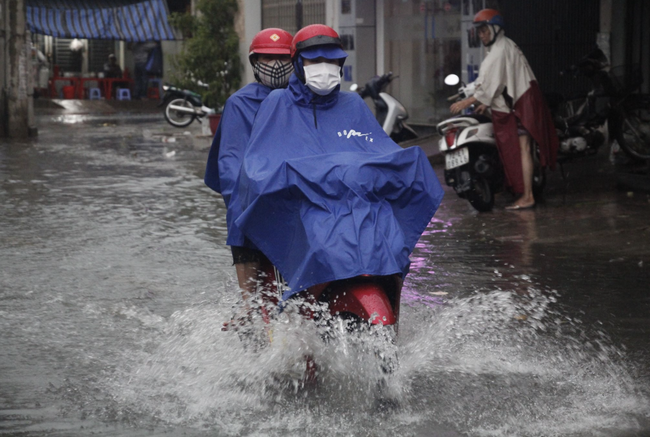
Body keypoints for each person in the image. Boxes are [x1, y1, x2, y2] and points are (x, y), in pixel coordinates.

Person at [231, 24, 444, 301]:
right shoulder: (277, 103)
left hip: (356, 203)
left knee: (389, 237)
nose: (324, 67)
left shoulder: (352, 104)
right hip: (306, 204)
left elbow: (378, 152)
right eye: (315, 61)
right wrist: (294, 177)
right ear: (298, 63)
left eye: (331, 60)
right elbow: (259, 163)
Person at [204, 28, 294, 300]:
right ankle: (249, 304)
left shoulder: (303, 100)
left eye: (282, 58)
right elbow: (231, 160)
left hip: (297, 192)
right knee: (241, 210)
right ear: (255, 63)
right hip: (258, 192)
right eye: (267, 58)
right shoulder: (239, 103)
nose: (275, 65)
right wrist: (243, 194)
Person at [450, 9, 558, 210]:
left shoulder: (498, 52)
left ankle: (527, 196)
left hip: (520, 105)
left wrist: (468, 102)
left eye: (484, 30)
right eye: (479, 32)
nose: (481, 35)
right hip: (521, 101)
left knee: (523, 149)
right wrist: (484, 101)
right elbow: (498, 83)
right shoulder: (505, 45)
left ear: (495, 29)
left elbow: (491, 85)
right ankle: (524, 191)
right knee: (523, 149)